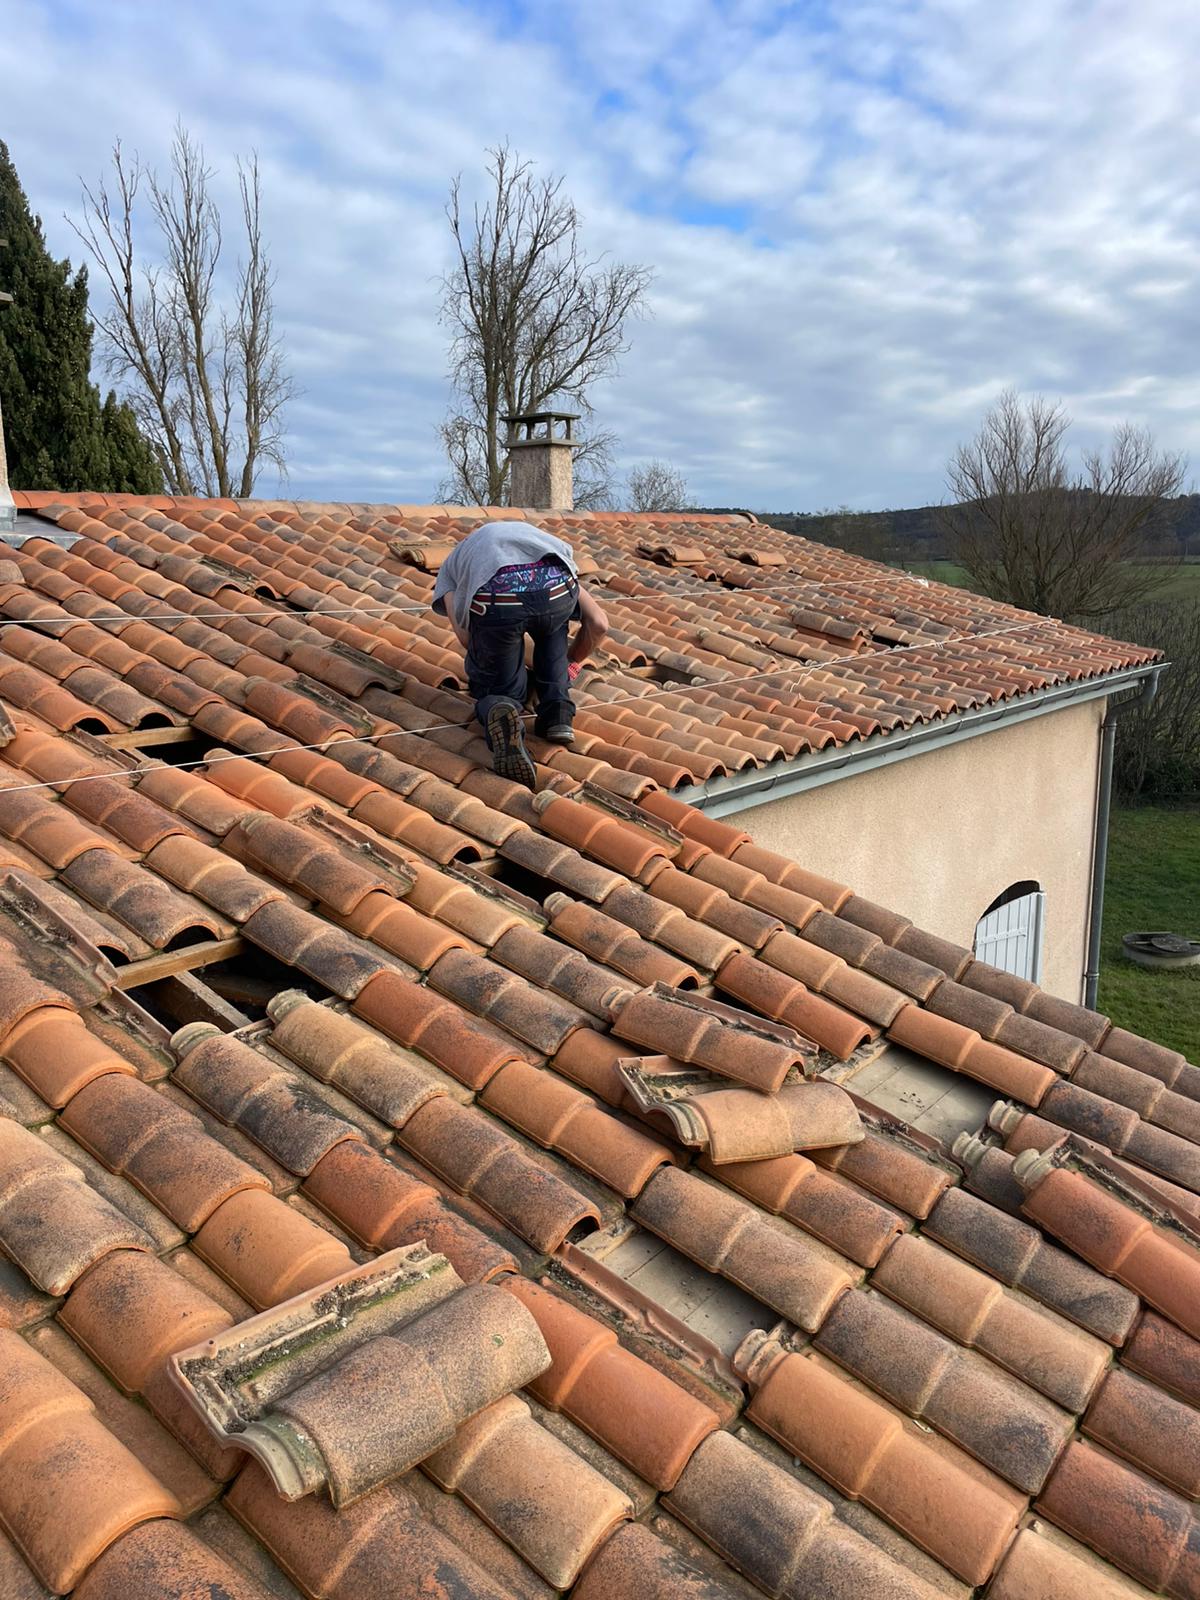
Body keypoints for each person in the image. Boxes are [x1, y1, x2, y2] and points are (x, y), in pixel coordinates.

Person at [431, 519, 609, 790]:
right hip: (557, 591)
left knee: (493, 679)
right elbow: (599, 624)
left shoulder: (451, 569)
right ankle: (558, 714)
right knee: (552, 633)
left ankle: (501, 706)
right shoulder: (553, 554)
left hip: (498, 599)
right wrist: (570, 664)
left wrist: (503, 663)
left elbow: (468, 639)